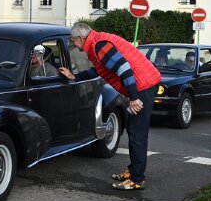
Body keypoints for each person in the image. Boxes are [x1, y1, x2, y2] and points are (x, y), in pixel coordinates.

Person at [58, 22, 161, 190]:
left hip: (143, 86)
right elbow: (99, 70)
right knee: (134, 130)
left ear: (80, 38)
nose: (73, 45)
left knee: (137, 133)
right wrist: (75, 77)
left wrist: (134, 98)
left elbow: (125, 69)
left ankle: (137, 179)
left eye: (73, 41)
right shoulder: (96, 45)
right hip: (143, 85)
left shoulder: (100, 45)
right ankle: (133, 171)